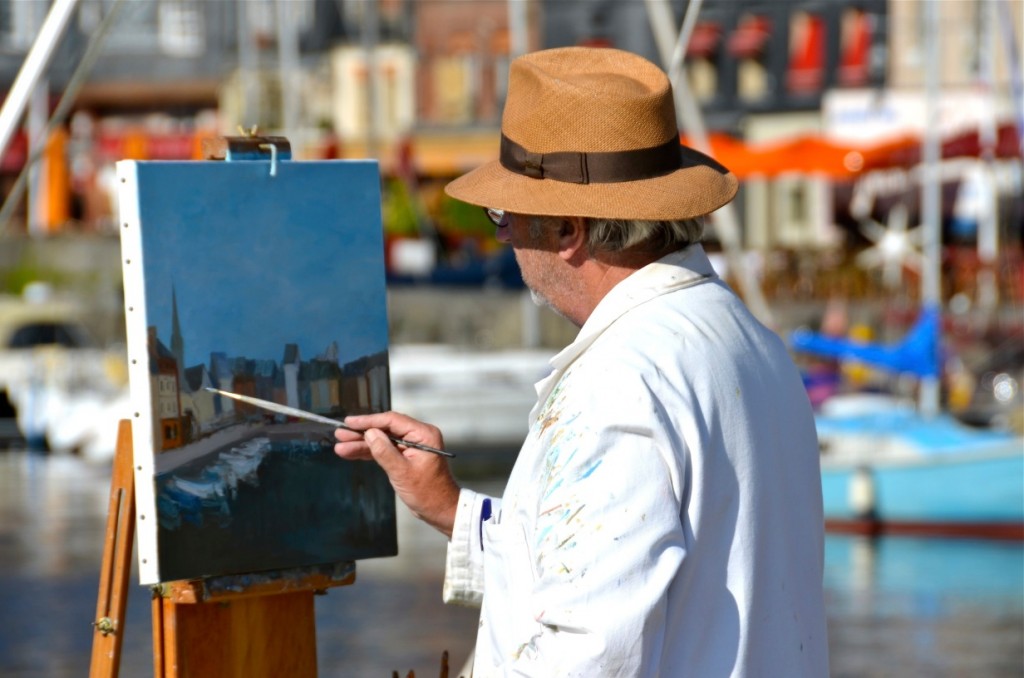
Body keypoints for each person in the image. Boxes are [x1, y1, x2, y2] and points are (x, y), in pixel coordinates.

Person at [335, 46, 829, 677]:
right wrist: (450, 507)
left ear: (568, 230)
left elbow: (590, 652)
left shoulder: (619, 383)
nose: (503, 235)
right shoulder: (748, 340)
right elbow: (619, 577)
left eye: (505, 214)